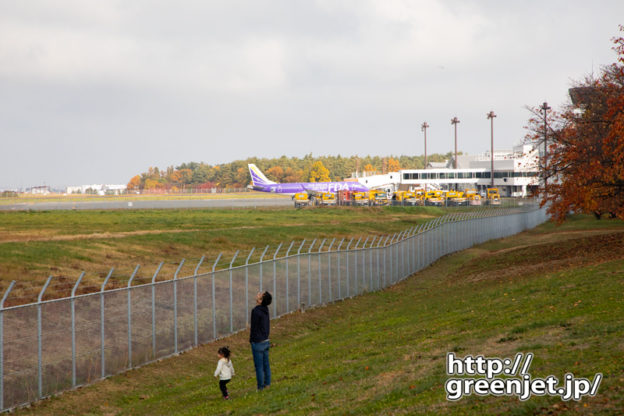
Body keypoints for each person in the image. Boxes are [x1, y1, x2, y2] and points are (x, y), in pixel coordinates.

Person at [250, 291, 272, 391]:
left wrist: (252, 339)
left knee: (259, 366)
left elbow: (254, 327)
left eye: (260, 295)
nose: (258, 293)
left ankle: (260, 387)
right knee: (266, 364)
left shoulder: (256, 311)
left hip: (257, 342)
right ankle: (267, 383)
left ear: (260, 300)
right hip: (266, 340)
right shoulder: (265, 309)